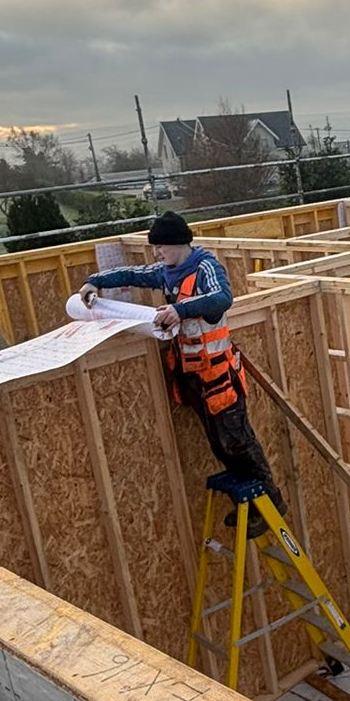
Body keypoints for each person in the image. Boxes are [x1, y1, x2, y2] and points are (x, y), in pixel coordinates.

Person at [80, 212, 283, 508]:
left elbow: (222, 298)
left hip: (219, 377)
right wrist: (94, 281)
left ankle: (269, 500)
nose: (157, 253)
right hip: (194, 377)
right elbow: (135, 274)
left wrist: (181, 310)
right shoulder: (167, 271)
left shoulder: (205, 267)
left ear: (178, 243)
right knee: (219, 444)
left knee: (237, 441)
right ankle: (252, 503)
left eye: (162, 247)